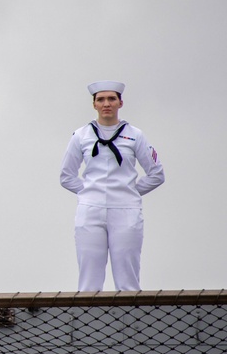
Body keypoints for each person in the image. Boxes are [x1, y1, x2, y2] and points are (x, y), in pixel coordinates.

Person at [60, 81, 164, 291]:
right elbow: (67, 175)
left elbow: (156, 174)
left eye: (111, 99)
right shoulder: (81, 135)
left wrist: (131, 192)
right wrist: (90, 192)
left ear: (120, 103)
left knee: (128, 277)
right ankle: (88, 322)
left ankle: (132, 323)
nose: (106, 103)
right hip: (90, 211)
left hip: (126, 210)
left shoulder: (135, 135)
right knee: (89, 278)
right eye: (101, 99)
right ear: (94, 105)